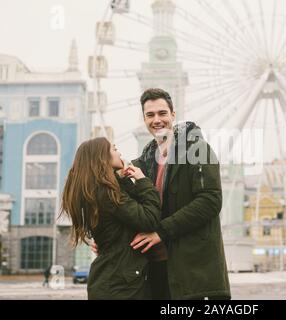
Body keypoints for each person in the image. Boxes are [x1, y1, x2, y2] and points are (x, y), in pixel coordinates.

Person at [130, 88, 231, 300]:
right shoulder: (142, 164)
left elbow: (210, 201)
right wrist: (104, 238)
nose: (157, 120)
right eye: (150, 115)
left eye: (162, 113)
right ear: (144, 119)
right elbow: (131, 210)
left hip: (193, 273)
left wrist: (161, 232)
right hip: (153, 270)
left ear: (173, 116)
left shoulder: (199, 150)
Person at [60, 137, 161, 299]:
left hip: (111, 280)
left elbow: (124, 218)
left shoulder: (97, 191)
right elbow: (149, 219)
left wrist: (122, 179)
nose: (119, 152)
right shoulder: (106, 193)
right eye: (114, 149)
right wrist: (142, 181)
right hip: (120, 285)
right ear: (102, 157)